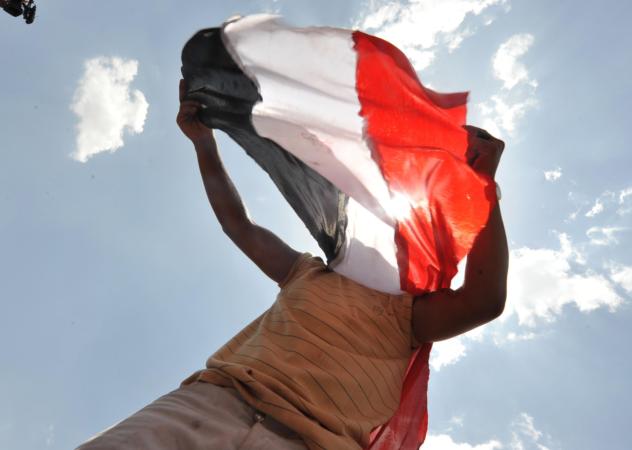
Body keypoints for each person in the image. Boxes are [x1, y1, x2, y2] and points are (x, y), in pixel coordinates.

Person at [77, 80, 508, 450]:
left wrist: (482, 185)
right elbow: (238, 225)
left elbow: (484, 300)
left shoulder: (410, 316)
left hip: (314, 442)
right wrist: (204, 142)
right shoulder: (307, 271)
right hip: (213, 403)